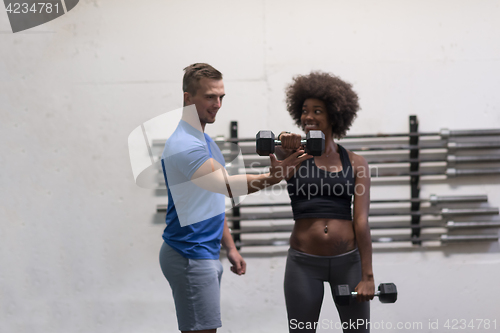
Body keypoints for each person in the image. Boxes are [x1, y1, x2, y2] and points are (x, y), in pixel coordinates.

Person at [159, 63, 311, 333]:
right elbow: (225, 186)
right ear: (187, 98)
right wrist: (272, 177)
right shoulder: (184, 144)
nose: (217, 104)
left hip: (203, 251)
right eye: (209, 96)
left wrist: (229, 247)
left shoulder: (205, 141)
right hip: (189, 254)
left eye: (221, 97)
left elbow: (212, 201)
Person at [276, 71, 374, 333]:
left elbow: (361, 221)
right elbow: (276, 155)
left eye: (317, 111)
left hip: (348, 262)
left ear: (334, 115)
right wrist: (285, 138)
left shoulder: (356, 163)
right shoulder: (292, 155)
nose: (308, 116)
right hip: (303, 264)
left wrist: (368, 277)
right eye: (305, 110)